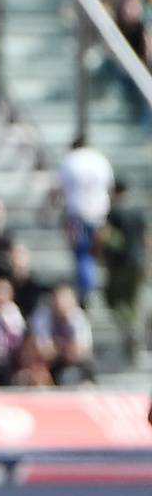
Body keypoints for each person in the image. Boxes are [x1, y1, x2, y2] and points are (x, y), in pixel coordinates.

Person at [57, 137, 114, 302]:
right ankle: (88, 285)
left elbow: (59, 188)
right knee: (92, 253)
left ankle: (87, 289)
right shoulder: (100, 159)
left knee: (82, 253)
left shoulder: (70, 160)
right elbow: (109, 186)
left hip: (77, 214)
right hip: (100, 215)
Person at [99, 182, 146, 362]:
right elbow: (146, 238)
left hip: (119, 264)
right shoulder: (138, 212)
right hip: (138, 263)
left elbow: (107, 236)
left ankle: (130, 326)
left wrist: (101, 254)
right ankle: (133, 328)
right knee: (132, 301)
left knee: (112, 298)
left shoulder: (115, 212)